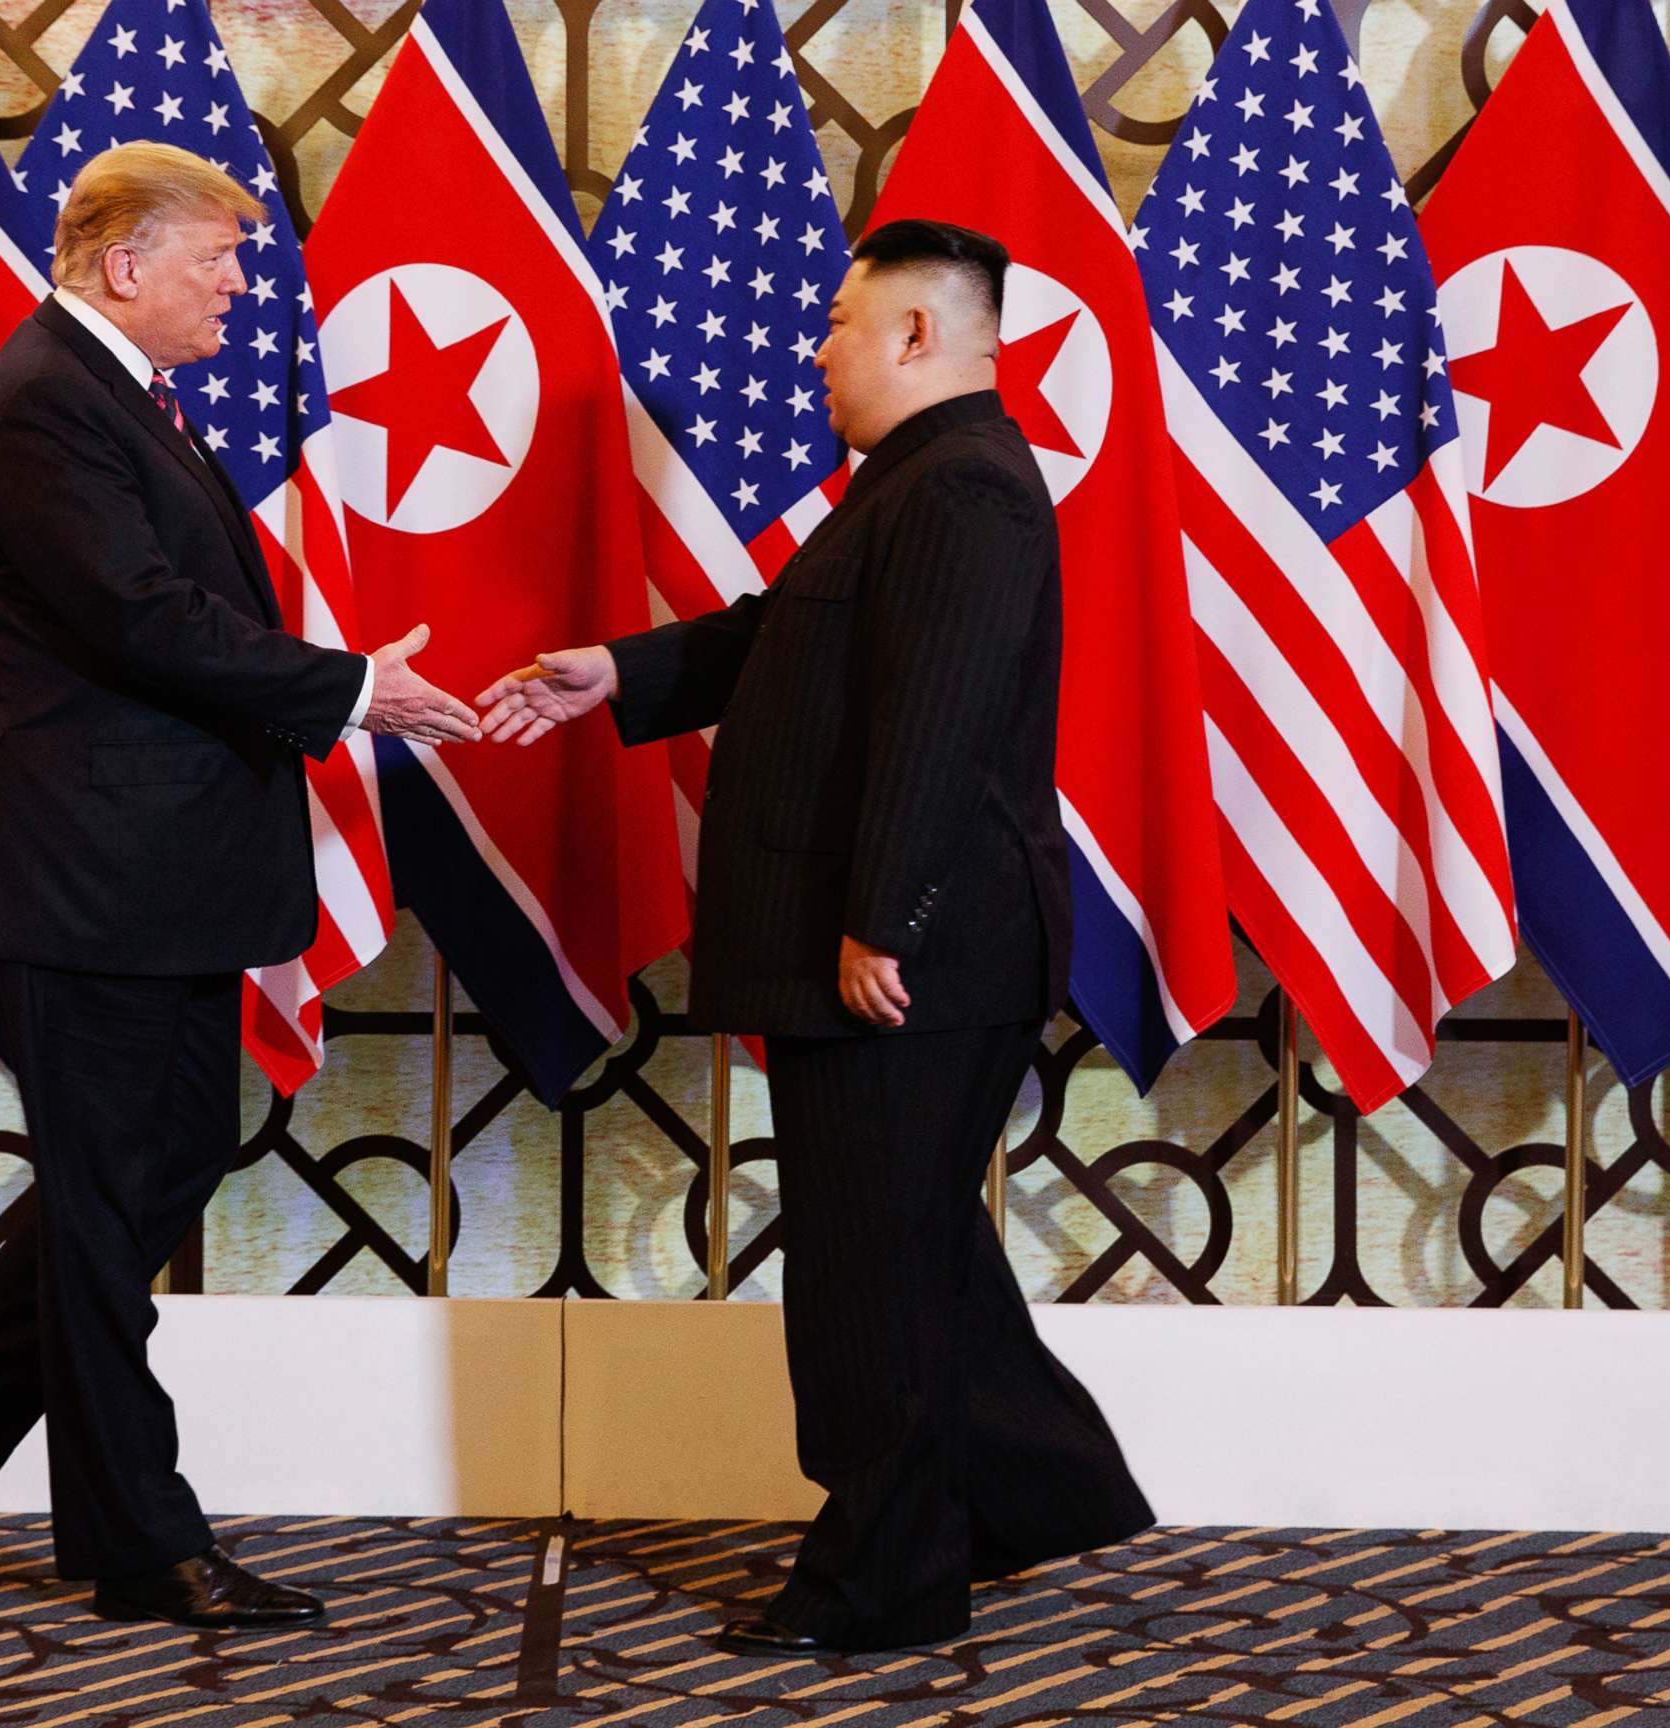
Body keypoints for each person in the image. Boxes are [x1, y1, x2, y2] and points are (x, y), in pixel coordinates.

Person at [0, 141, 481, 1630]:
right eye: (219, 259)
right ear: (127, 262)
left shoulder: (110, 394)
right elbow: (139, 620)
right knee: (118, 1208)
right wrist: (352, 691)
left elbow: (164, 612)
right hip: (89, 872)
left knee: (161, 1162)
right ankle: (138, 1544)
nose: (243, 288)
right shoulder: (49, 398)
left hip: (156, 871)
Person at [476, 218, 1155, 1655]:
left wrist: (877, 921)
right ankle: (1029, 1499)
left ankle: (884, 1582)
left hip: (908, 954)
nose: (820, 349)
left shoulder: (963, 486)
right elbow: (791, 635)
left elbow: (938, 726)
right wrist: (620, 671)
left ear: (916, 333)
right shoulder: (919, 484)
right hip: (903, 943)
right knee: (913, 1258)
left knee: (872, 1275)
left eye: (843, 324)